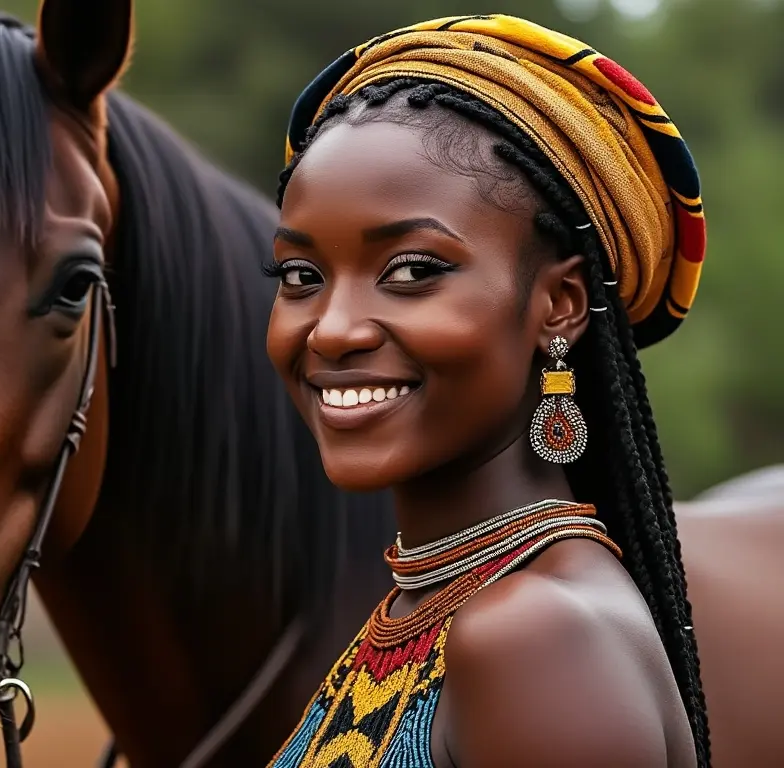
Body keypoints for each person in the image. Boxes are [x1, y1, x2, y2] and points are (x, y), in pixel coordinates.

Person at [263, 14, 709, 768]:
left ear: (559, 304)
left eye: (411, 270)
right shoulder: (436, 608)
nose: (332, 329)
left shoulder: (534, 637)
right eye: (301, 277)